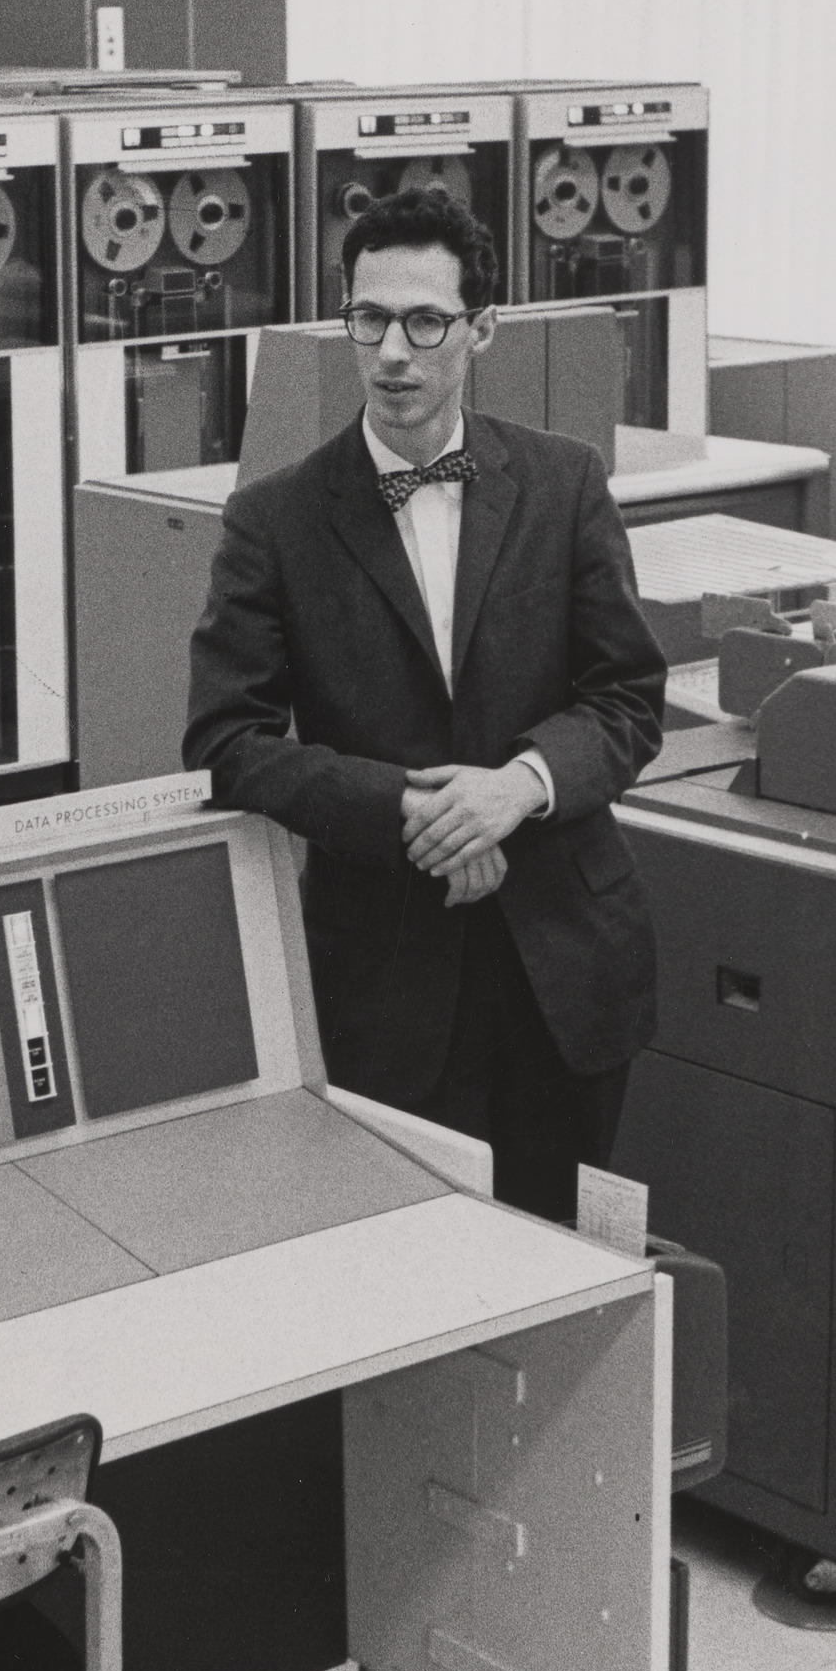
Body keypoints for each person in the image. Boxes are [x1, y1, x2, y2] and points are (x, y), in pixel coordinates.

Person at [182, 184, 665, 1222]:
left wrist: (518, 789)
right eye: (369, 320)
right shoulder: (275, 521)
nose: (393, 352)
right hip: (387, 980)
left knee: (561, 1267)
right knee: (407, 1276)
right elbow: (227, 738)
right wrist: (418, 812)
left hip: (564, 967)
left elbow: (627, 698)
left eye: (425, 322)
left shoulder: (563, 483)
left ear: (480, 329)